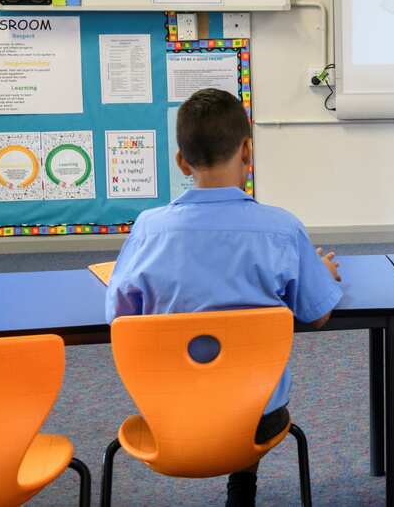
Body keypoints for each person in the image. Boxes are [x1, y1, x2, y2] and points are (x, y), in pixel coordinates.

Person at [105, 89, 343, 507]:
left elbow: (121, 317)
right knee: (243, 375)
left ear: (181, 160)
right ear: (247, 150)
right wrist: (319, 274)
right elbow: (318, 314)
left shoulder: (147, 229)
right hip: (256, 421)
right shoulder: (282, 229)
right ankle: (243, 483)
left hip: (168, 415)